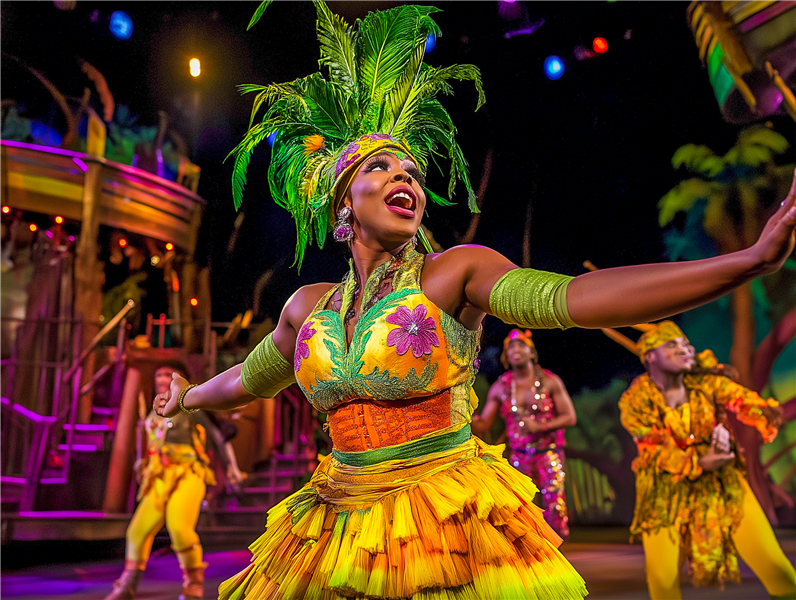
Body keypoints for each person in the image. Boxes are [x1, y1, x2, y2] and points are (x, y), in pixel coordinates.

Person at [154, 3, 796, 599]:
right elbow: (248, 380)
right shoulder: (306, 306)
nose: (405, 177)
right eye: (381, 168)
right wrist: (187, 397)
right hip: (335, 521)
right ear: (343, 202)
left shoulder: (453, 274)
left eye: (412, 172)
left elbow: (573, 296)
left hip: (442, 520)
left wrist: (745, 261)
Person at [618, 321, 796, 600]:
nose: (685, 349)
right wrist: (699, 462)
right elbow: (652, 448)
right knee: (662, 579)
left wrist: (764, 413)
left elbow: (740, 398)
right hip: (665, 491)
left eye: (686, 344)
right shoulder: (636, 399)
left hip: (722, 484)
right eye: (672, 344)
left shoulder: (706, 383)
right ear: (650, 356)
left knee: (775, 566)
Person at [105, 360, 245, 600]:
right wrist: (141, 462)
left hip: (188, 473)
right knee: (137, 530)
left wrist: (232, 467)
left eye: (168, 374)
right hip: (159, 475)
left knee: (180, 528)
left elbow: (217, 436)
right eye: (159, 374)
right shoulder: (152, 412)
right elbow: (147, 441)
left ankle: (193, 584)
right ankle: (126, 586)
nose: (162, 379)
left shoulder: (190, 406)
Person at [473, 329, 576, 538]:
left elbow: (570, 417)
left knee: (555, 508)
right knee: (521, 509)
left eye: (521, 345)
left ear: (532, 352)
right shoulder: (500, 387)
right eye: (510, 347)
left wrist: (541, 427)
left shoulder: (550, 381)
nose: (516, 350)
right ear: (505, 356)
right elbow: (483, 425)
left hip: (549, 454)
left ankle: (558, 548)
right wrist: (466, 413)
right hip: (519, 456)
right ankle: (530, 551)